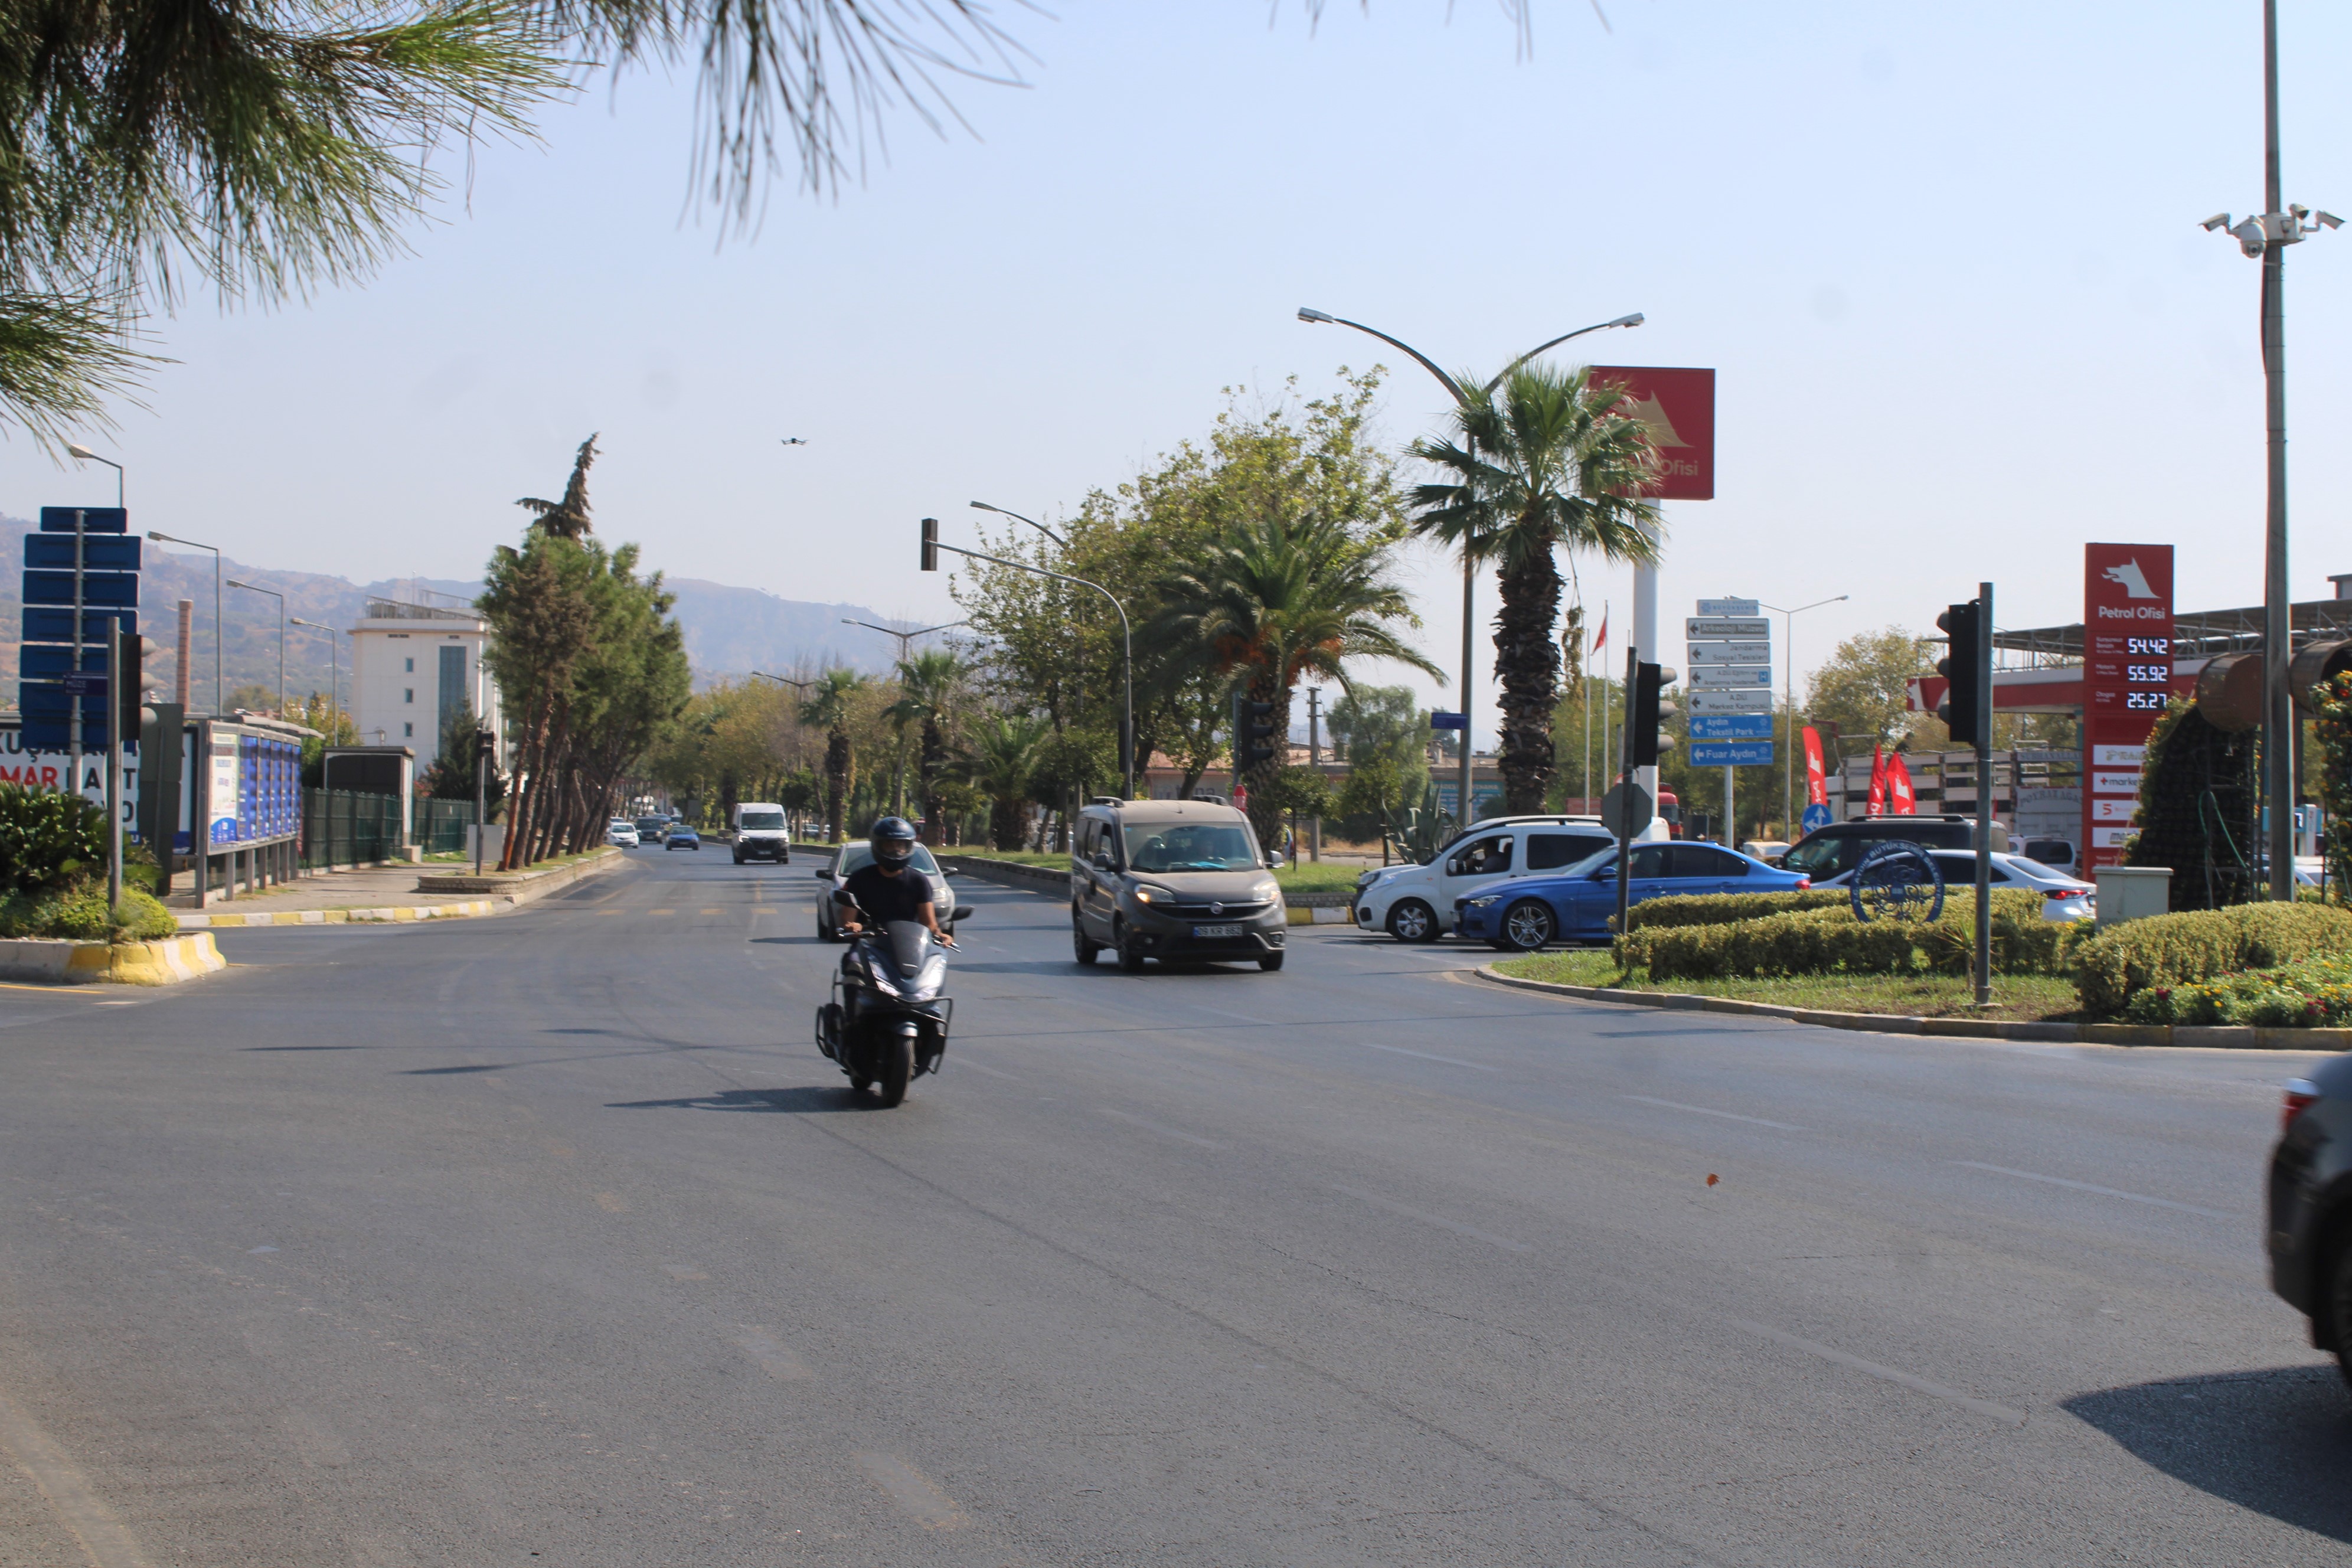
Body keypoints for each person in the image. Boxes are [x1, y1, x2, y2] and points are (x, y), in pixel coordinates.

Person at [835, 817, 954, 947]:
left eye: (900, 845)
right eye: (889, 845)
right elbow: (847, 921)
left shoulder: (919, 881)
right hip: (868, 947)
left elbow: (929, 923)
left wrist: (939, 933)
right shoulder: (858, 879)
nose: (895, 850)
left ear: (909, 847)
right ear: (878, 846)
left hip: (909, 947)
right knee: (852, 964)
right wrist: (854, 926)